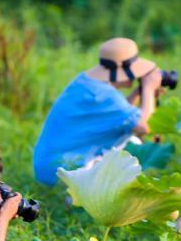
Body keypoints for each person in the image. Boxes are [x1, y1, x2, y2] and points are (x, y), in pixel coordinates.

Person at [33, 37, 163, 185]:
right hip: (63, 172)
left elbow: (117, 116)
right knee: (134, 146)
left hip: (48, 164)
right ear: (123, 70)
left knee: (131, 142)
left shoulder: (87, 82)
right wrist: (148, 88)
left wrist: (138, 92)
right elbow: (145, 126)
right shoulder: (104, 94)